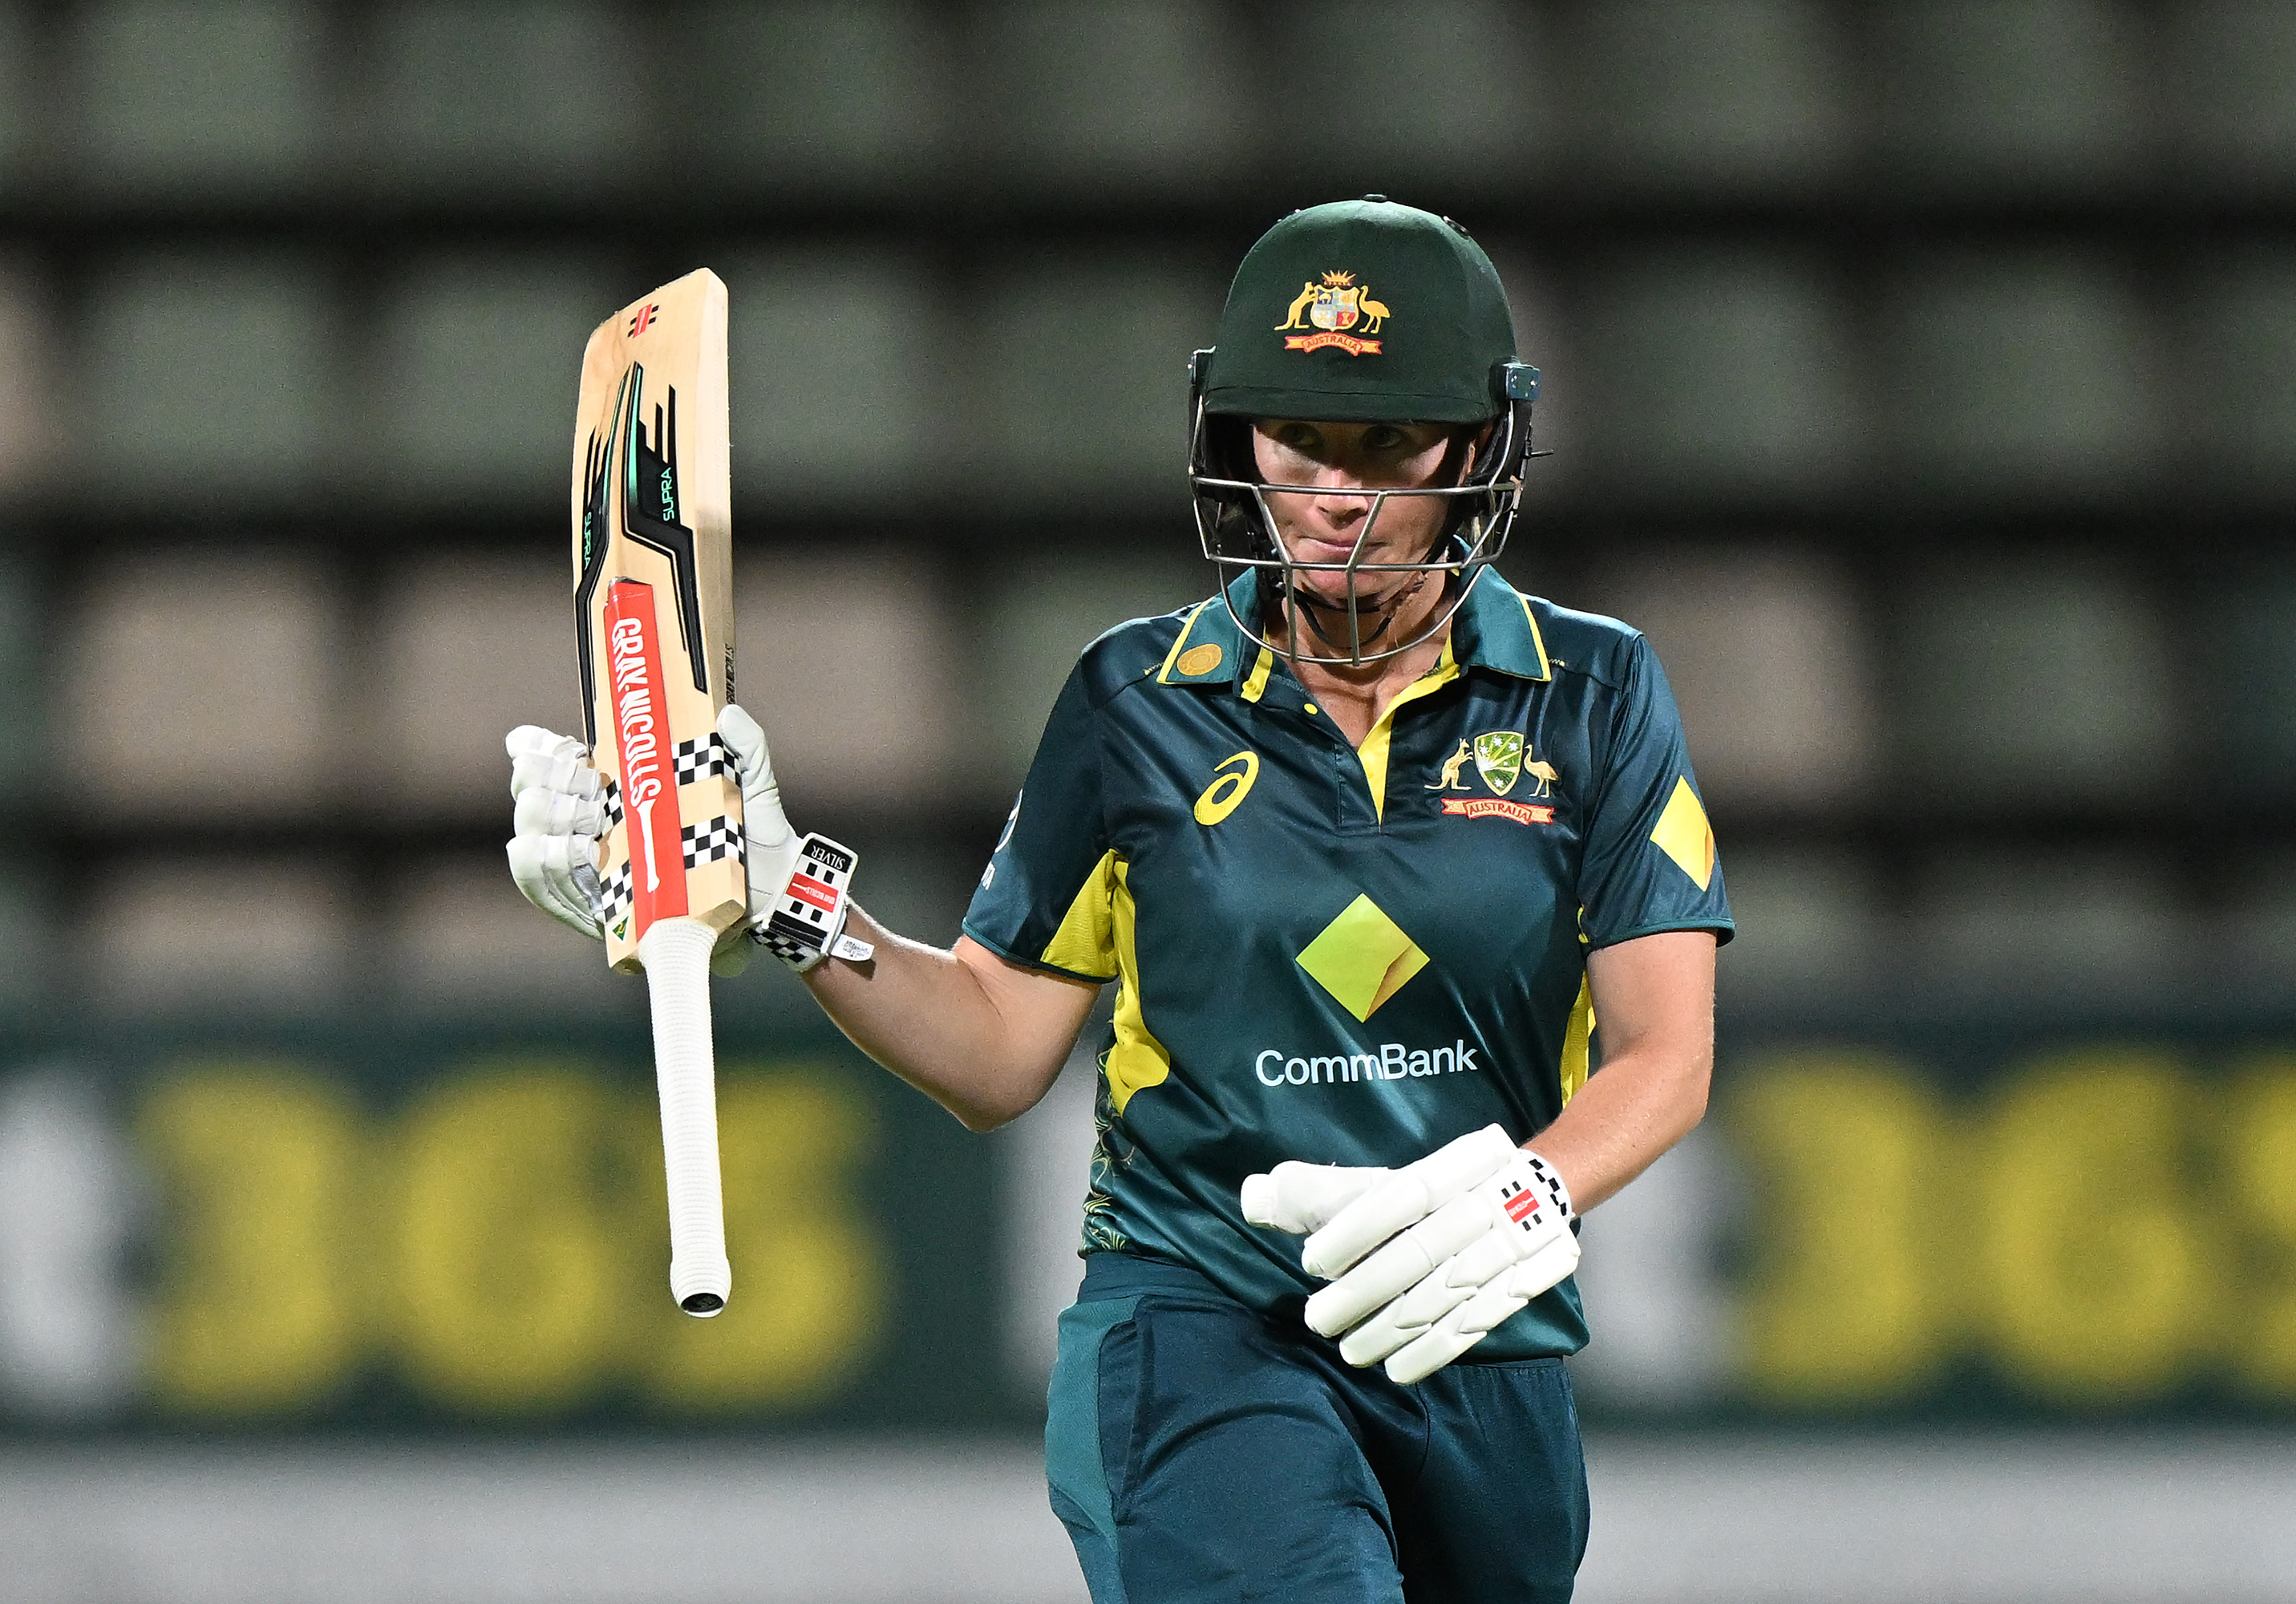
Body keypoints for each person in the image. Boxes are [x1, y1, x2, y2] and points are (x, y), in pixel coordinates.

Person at [508, 196, 1731, 1604]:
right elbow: (991, 1048)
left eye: (1389, 444)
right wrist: (782, 891)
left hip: (1480, 1340)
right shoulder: (1131, 703)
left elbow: (1667, 1051)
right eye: (1300, 439)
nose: (1337, 492)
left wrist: (1536, 1192)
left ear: (1479, 444)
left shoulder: (1596, 692)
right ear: (1239, 440)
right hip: (1200, 1324)